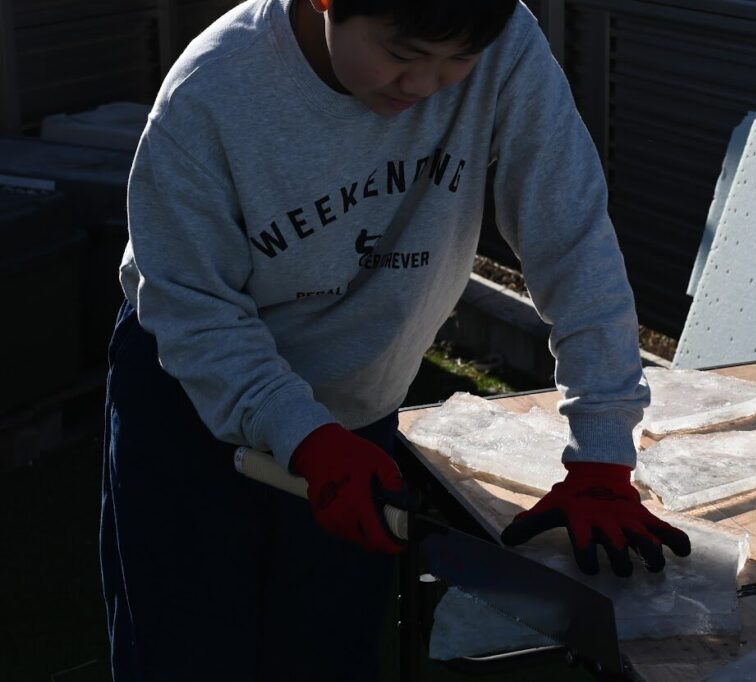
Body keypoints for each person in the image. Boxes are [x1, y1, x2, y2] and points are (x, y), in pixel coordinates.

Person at [100, 0, 692, 679]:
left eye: (458, 61)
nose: (426, 85)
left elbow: (573, 238)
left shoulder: (498, 37)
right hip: (194, 399)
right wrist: (305, 435)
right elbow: (193, 307)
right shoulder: (212, 90)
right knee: (187, 655)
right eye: (402, 55)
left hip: (356, 416)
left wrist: (603, 456)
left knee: (327, 657)